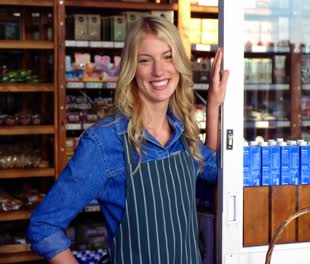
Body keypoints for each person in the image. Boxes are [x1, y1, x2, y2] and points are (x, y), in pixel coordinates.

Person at [27, 15, 229, 263]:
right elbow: (44, 226)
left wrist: (213, 105)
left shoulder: (182, 133)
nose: (159, 71)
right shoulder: (104, 142)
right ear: (131, 69)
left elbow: (213, 170)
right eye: (145, 60)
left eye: (168, 57)